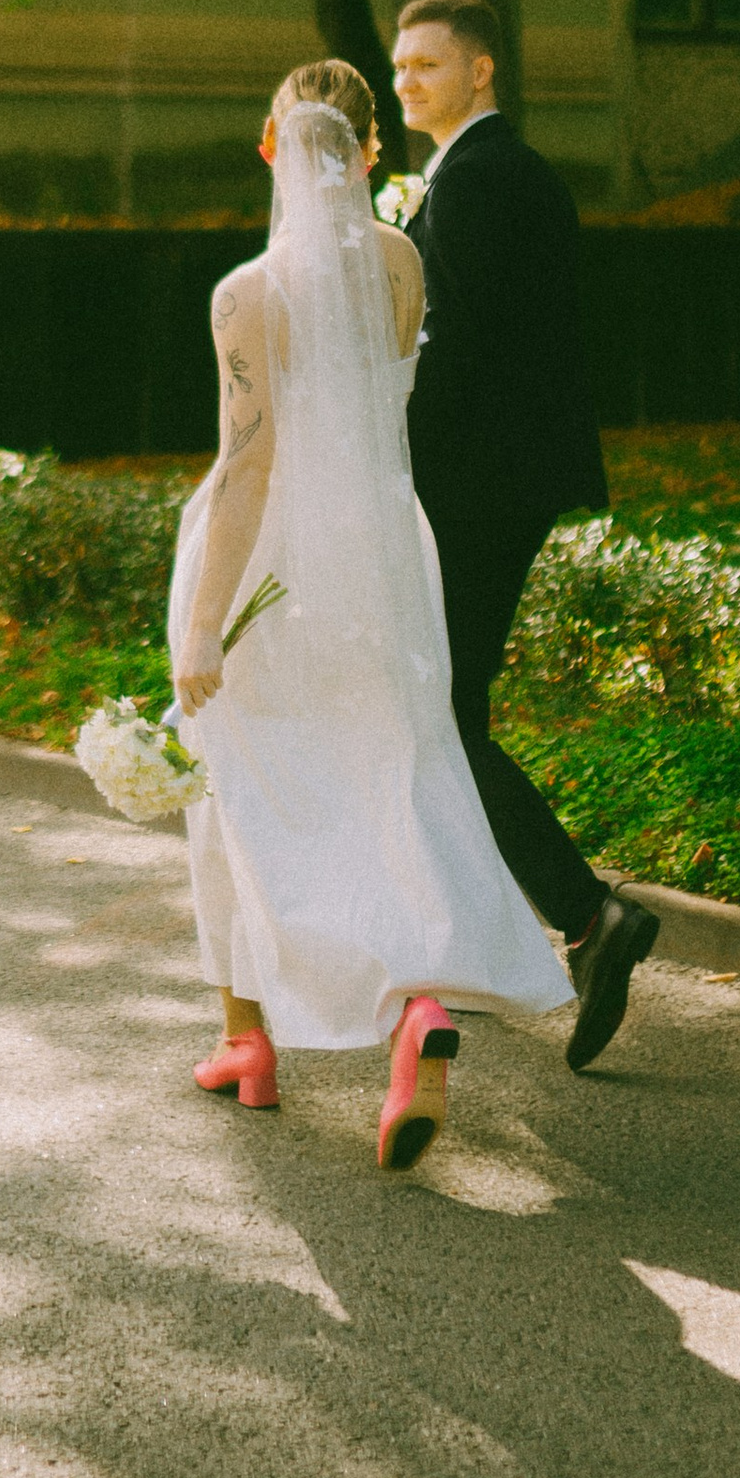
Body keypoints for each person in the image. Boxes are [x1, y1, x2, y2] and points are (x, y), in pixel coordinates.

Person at [168, 62, 572, 1172]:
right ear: (370, 155)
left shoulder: (245, 292)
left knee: (240, 790)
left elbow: (247, 466)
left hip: (272, 568)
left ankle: (247, 1040)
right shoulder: (398, 263)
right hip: (387, 556)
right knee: (379, 782)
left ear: (268, 145)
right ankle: (416, 1011)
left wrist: (204, 624)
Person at [389, 0, 659, 1072]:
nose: (406, 80)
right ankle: (500, 935)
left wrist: (379, 448)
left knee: (439, 712)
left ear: (481, 70)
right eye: (399, 66)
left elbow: (460, 348)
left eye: (427, 64)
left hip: (479, 482)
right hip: (488, 477)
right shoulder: (472, 174)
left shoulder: (488, 177)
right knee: (443, 707)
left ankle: (588, 919)